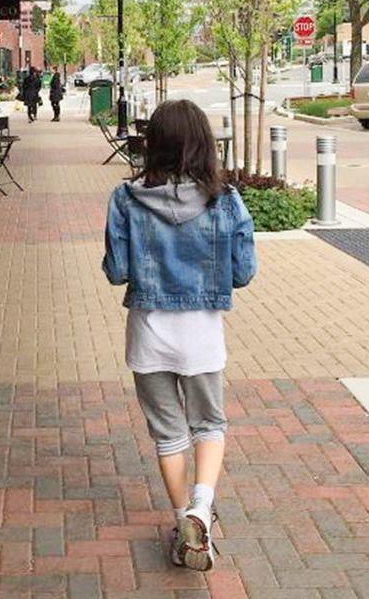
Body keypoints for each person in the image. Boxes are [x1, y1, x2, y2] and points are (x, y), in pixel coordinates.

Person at [102, 99, 256, 572]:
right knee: (209, 426)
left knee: (168, 434)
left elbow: (117, 271)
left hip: (149, 333)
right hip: (203, 334)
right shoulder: (224, 199)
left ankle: (182, 520)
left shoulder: (126, 198)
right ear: (203, 145)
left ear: (155, 145)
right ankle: (200, 509)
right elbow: (244, 272)